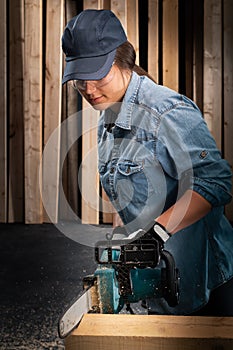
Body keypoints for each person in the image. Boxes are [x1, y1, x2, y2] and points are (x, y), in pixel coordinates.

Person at [61, 9, 233, 316]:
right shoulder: (107, 122)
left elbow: (216, 182)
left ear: (123, 60)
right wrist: (120, 245)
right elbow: (121, 192)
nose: (88, 89)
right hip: (158, 285)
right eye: (79, 79)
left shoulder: (167, 111)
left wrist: (158, 233)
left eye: (97, 75)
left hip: (207, 285)